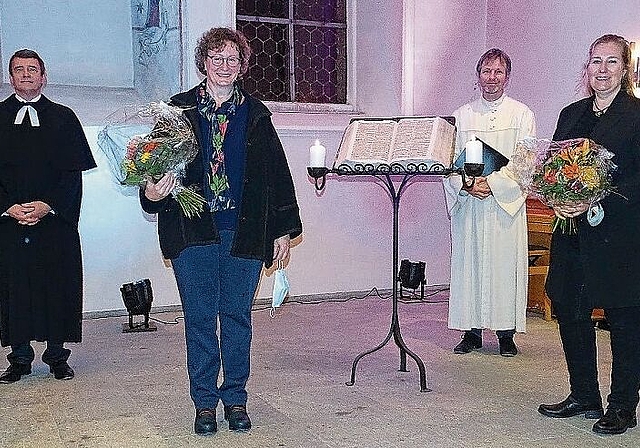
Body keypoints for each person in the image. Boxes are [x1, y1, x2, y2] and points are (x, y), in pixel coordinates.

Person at [140, 27, 302, 436]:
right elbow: (152, 171)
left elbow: (276, 175)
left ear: (242, 65)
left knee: (236, 317)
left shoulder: (257, 114)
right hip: (192, 232)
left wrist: (282, 229)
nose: (225, 66)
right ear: (204, 63)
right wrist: (151, 188)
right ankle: (204, 402)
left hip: (244, 231)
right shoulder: (176, 112)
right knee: (198, 319)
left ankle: (235, 397)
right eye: (217, 58)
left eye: (233, 59)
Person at [538, 34, 640, 436]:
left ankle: (622, 405)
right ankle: (583, 394)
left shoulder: (637, 115)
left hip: (620, 234)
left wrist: (597, 201)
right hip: (571, 232)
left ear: (626, 69)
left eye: (612, 62)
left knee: (624, 319)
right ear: (588, 67)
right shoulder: (571, 113)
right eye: (596, 61)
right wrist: (556, 197)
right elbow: (554, 165)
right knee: (569, 308)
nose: (602, 69)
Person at [0, 49, 96, 383]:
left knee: (56, 286)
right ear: (10, 77)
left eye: (32, 69)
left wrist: (48, 206)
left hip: (55, 222)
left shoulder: (63, 117)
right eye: (18, 69)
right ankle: (20, 357)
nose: (25, 74)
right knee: (15, 288)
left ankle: (57, 356)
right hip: (9, 223)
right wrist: (7, 206)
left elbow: (72, 175)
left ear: (44, 76)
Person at [443, 48, 536, 357]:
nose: (491, 78)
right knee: (470, 265)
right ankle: (471, 331)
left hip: (502, 208)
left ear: (507, 77)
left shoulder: (522, 114)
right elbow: (446, 161)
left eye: (498, 72)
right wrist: (467, 184)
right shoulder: (461, 115)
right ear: (478, 75)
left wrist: (493, 184)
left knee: (503, 267)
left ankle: (506, 334)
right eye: (486, 71)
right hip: (470, 205)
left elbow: (525, 162)